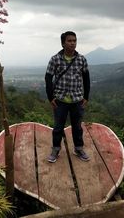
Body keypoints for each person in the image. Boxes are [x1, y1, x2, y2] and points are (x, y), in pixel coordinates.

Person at [45, 31, 90, 163]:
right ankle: (56, 149)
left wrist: (86, 96)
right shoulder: (55, 59)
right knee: (58, 127)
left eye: (74, 41)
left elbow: (86, 78)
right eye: (70, 41)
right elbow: (48, 78)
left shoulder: (81, 59)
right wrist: (50, 97)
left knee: (77, 127)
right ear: (63, 43)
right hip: (60, 99)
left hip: (77, 99)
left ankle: (79, 148)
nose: (73, 43)